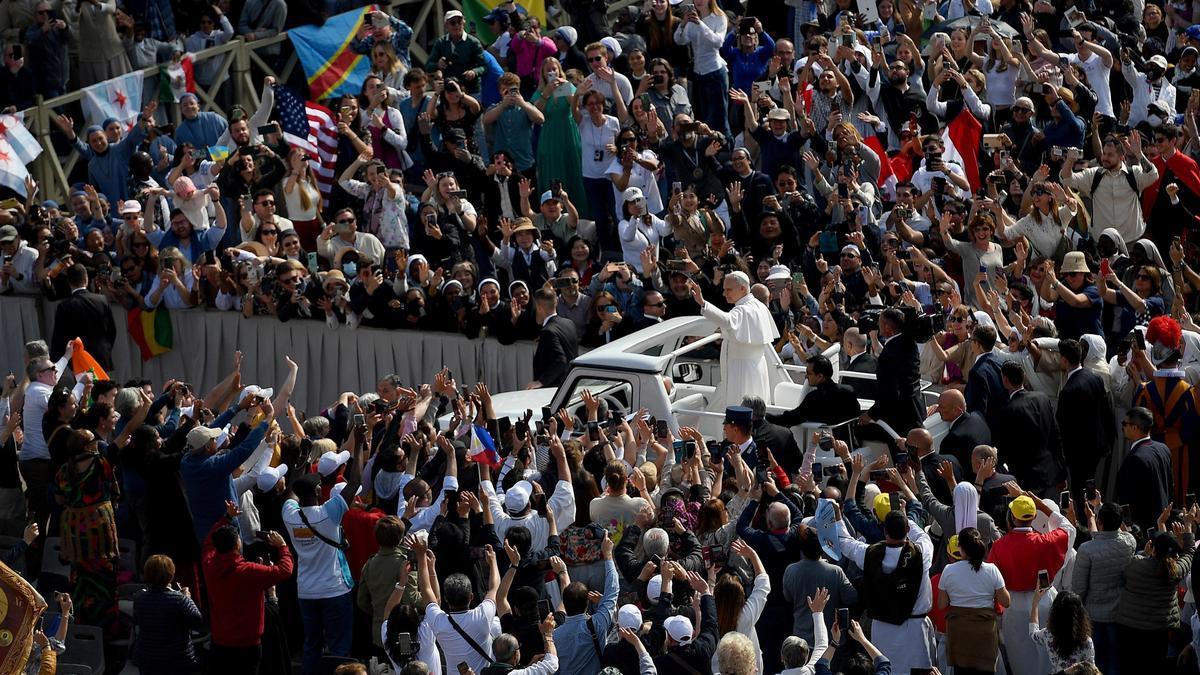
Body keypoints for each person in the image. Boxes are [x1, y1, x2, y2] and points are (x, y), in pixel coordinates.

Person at [835, 500, 936, 674]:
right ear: (907, 531)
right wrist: (906, 518)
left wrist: (837, 518)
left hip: (883, 629)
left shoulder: (869, 553)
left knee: (885, 669)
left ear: (884, 531)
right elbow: (922, 535)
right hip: (915, 631)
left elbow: (845, 543)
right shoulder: (923, 552)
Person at [987, 490, 1074, 675]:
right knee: (1046, 657)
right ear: (1034, 516)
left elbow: (990, 582)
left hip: (1014, 607)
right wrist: (1042, 505)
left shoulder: (999, 546)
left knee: (1021, 660)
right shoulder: (1046, 542)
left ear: (1011, 516)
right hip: (1044, 603)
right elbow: (1069, 529)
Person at [203, 500, 294, 675]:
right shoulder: (249, 571)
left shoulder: (209, 565)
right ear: (237, 544)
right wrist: (282, 547)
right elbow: (285, 570)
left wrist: (226, 518)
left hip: (220, 641)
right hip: (248, 645)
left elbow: (208, 543)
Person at [686, 271, 778, 411]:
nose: (724, 294)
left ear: (742, 288)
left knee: (739, 410)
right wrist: (724, 331)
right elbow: (738, 329)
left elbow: (728, 321)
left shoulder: (744, 309)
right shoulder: (757, 305)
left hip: (741, 372)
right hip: (753, 368)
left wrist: (702, 302)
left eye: (728, 290)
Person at [1115, 521, 1195, 673]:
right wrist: (1188, 531)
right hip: (1158, 631)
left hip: (1131, 628)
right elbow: (1189, 554)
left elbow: (1130, 564)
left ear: (1153, 548)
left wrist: (1145, 554)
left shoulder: (1136, 564)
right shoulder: (1175, 571)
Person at [1070, 502, 1135, 675]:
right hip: (1120, 612)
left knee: (1096, 662)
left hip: (1093, 615)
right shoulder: (1129, 542)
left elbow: (1078, 588)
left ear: (1100, 523)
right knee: (1116, 660)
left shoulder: (1086, 550)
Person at [938, 527, 1011, 673]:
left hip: (959, 635)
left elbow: (941, 604)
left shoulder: (948, 570)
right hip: (984, 634)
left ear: (961, 549)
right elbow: (1006, 601)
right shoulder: (991, 570)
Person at [1056, 339, 1116, 514]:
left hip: (1078, 450)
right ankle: (1093, 514)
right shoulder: (1095, 378)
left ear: (1065, 360)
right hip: (1096, 444)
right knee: (1090, 483)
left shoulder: (1068, 390)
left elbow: (1063, 425)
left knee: (1078, 487)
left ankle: (1084, 519)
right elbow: (1105, 411)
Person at [993, 361, 1063, 497]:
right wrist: (1061, 473)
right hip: (1049, 473)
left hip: (1026, 479)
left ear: (1005, 380)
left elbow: (1004, 448)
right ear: (1024, 376)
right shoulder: (1042, 398)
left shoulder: (1007, 411)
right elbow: (1056, 436)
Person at [552, 534, 615, 674]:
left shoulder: (554, 637)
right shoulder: (598, 623)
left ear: (564, 604)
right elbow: (612, 590)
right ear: (588, 601)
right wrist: (608, 555)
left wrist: (563, 573)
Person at [132, 554, 204, 675]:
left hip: (147, 659)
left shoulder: (139, 598)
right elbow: (197, 621)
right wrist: (188, 598)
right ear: (171, 574)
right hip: (176, 660)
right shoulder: (179, 600)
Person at [861, 308, 923, 436]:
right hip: (917, 409)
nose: (877, 325)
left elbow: (888, 393)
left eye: (879, 322)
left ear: (888, 328)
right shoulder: (910, 343)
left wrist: (870, 414)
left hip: (899, 421)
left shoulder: (888, 355)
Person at [1114, 407, 1173, 531]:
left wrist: (1129, 528)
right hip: (1163, 520)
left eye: (1125, 424)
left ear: (1134, 427)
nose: (1123, 427)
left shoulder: (1136, 458)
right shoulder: (1163, 449)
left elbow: (1128, 499)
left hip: (1144, 526)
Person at [49, 264, 116, 370]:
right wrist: (105, 348)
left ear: (69, 282)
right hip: (102, 357)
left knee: (83, 387)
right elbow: (111, 331)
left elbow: (59, 336)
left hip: (79, 359)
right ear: (86, 279)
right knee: (105, 386)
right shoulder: (102, 300)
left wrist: (56, 360)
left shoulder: (65, 306)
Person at [528, 288, 578, 389]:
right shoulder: (569, 323)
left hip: (554, 390)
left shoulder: (548, 331)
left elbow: (560, 360)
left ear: (539, 307)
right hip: (570, 386)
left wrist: (540, 382)